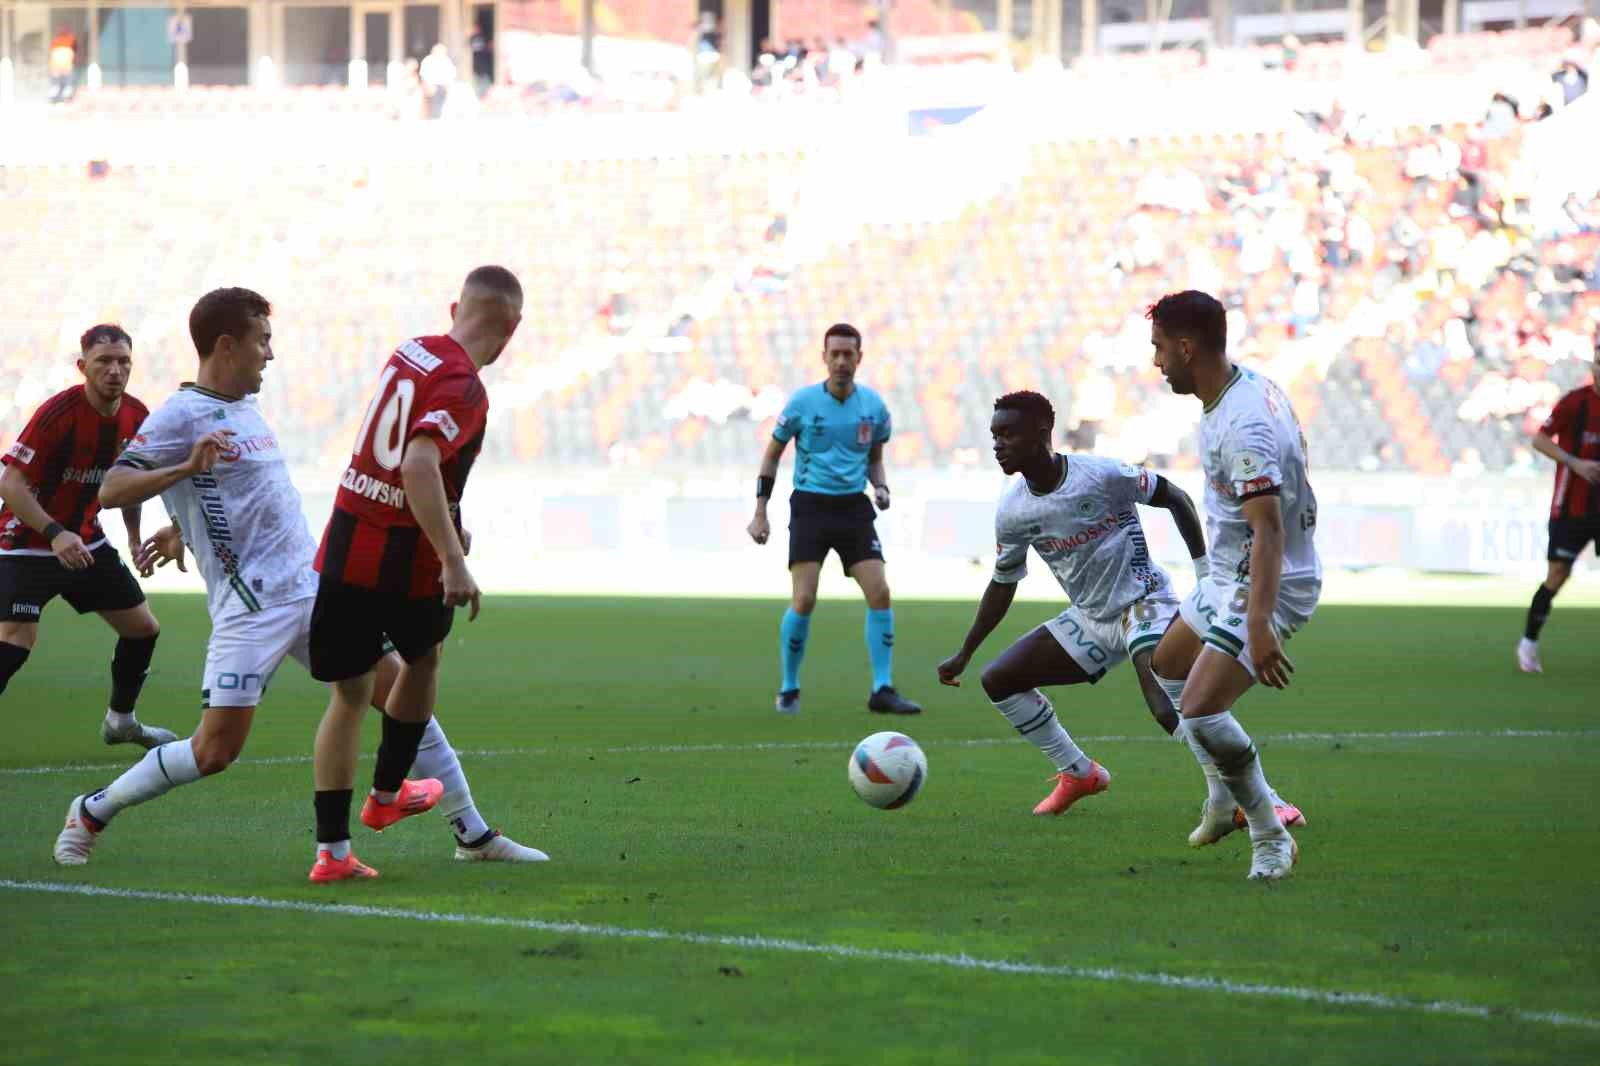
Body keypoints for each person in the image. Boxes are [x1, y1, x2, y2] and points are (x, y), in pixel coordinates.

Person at [52, 287, 541, 876]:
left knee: (405, 696)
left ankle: (472, 833)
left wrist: (185, 526)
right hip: (250, 610)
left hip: (311, 588)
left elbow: (235, 496)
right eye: (262, 341)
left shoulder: (245, 406)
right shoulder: (181, 415)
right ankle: (90, 812)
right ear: (227, 345)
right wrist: (183, 471)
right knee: (214, 751)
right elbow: (111, 489)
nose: (270, 355)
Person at [306, 266, 527, 882]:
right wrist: (454, 558)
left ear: (456, 305)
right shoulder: (466, 387)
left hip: (347, 538)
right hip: (404, 559)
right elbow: (419, 462)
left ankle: (332, 854)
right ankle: (386, 793)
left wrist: (451, 518)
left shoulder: (412, 350)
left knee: (348, 695)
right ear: (510, 330)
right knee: (423, 658)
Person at [1145, 290, 1320, 881]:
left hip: (1265, 581)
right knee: (1166, 667)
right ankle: (1223, 798)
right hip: (1229, 573)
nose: (1156, 361)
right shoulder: (1242, 390)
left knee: (1198, 710)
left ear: (1187, 347)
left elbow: (1268, 528)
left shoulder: (1243, 422)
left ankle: (1270, 834)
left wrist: (1259, 623)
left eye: (1161, 348)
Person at [0, 324, 174, 750]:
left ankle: (121, 722)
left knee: (142, 628)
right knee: (17, 638)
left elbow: (128, 480)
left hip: (85, 541)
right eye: (104, 362)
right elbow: (10, 483)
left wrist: (133, 538)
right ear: (83, 367)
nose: (115, 370)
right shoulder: (58, 413)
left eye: (123, 362)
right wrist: (55, 533)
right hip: (29, 539)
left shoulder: (136, 414)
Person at [747, 323, 920, 717]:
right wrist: (761, 510)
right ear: (824, 357)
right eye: (835, 354)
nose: (841, 361)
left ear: (859, 358)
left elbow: (875, 458)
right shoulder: (802, 404)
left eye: (849, 354)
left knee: (880, 592)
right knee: (804, 598)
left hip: (853, 509)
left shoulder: (873, 407)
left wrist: (882, 487)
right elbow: (772, 455)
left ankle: (882, 689)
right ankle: (789, 687)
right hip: (810, 506)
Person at [1519, 332, 1600, 673]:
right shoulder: (1575, 403)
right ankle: (1528, 643)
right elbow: (1539, 439)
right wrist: (1575, 462)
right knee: (1558, 573)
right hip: (1571, 507)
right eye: (1598, 362)